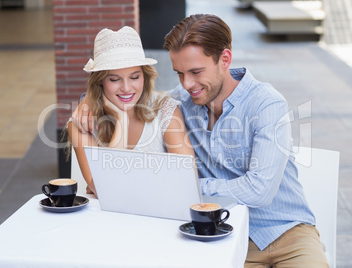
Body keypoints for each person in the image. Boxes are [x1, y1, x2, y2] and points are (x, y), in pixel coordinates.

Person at [72, 15, 328, 267]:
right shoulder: (182, 100)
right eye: (179, 73)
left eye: (195, 71)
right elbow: (131, 95)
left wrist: (185, 185)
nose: (187, 84)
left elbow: (259, 191)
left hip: (287, 233)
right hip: (223, 234)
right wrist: (87, 100)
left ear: (224, 59)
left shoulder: (266, 104)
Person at [67, 26, 194, 196]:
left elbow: (186, 180)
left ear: (145, 76)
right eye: (114, 79)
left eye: (135, 77)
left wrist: (109, 183)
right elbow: (105, 189)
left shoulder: (165, 109)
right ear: (100, 82)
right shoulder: (82, 121)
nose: (126, 88)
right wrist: (121, 121)